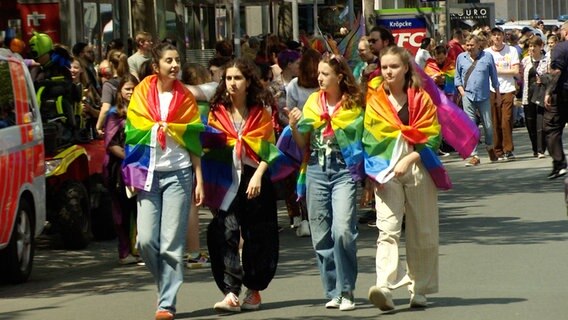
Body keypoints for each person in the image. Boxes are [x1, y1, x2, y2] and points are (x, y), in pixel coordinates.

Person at [363, 45, 450, 312]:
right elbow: (369, 139)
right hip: (385, 171)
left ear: (405, 68)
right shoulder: (375, 99)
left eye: (394, 66)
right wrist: (371, 175)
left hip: (417, 167)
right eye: (385, 67)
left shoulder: (421, 98)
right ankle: (385, 287)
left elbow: (433, 136)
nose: (388, 71)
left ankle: (419, 288)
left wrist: (409, 159)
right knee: (387, 229)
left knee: (421, 230)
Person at [122, 42, 205, 320]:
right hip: (148, 174)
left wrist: (199, 178)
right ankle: (166, 284)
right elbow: (132, 135)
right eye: (169, 61)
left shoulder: (186, 97)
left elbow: (193, 138)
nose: (175, 65)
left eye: (177, 60)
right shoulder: (142, 93)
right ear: (156, 66)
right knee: (145, 240)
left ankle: (166, 303)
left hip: (179, 173)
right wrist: (131, 173)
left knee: (171, 243)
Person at [202, 58, 284, 313]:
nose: (232, 84)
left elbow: (269, 150)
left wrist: (259, 174)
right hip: (226, 178)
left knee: (257, 234)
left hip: (254, 176)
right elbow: (209, 147)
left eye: (237, 78)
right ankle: (231, 292)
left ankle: (254, 289)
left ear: (248, 82)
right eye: (228, 79)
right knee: (224, 232)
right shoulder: (217, 112)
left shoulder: (261, 112)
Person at [287, 54, 364, 311]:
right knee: (321, 236)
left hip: (344, 170)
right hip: (316, 170)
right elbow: (301, 145)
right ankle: (333, 290)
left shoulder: (354, 103)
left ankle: (347, 290)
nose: (319, 78)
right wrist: (295, 126)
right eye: (318, 74)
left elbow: (363, 142)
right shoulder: (311, 102)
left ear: (339, 77)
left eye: (325, 74)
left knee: (342, 230)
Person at [180, 62, 217, 269]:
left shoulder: (182, 99)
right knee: (219, 200)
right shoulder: (209, 94)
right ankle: (239, 243)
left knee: (192, 204)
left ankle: (193, 252)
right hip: (210, 152)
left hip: (187, 152)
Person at [103, 74, 141, 265]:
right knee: (122, 212)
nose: (131, 92)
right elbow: (111, 144)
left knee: (140, 209)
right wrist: (129, 158)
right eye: (127, 88)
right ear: (120, 92)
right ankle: (125, 251)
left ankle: (139, 249)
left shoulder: (143, 112)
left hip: (141, 167)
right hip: (120, 169)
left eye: (134, 88)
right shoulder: (113, 114)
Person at [284, 48, 322, 236]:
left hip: (298, 134)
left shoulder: (293, 85)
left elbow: (289, 110)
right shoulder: (322, 86)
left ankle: (304, 218)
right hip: (319, 135)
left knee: (299, 177)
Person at [455, 34, 501, 167]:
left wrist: (497, 95)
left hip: (484, 96)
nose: (469, 48)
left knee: (488, 126)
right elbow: (457, 76)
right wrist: (462, 92)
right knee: (470, 126)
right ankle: (474, 155)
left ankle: (490, 146)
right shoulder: (461, 58)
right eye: (467, 45)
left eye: (472, 45)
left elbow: (494, 77)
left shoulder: (487, 57)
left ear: (478, 45)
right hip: (467, 96)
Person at [485, 27, 521, 161]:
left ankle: (508, 150)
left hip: (508, 88)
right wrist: (501, 70)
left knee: (506, 120)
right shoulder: (486, 53)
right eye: (494, 35)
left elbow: (515, 71)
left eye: (499, 34)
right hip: (492, 89)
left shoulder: (511, 50)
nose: (497, 37)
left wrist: (495, 70)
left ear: (503, 36)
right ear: (491, 37)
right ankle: (498, 150)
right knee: (495, 121)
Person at [544, 21, 568, 179]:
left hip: (562, 94)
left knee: (551, 127)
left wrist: (548, 91)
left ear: (565, 32)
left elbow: (556, 71)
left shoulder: (560, 48)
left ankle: (560, 163)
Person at [521, 36, 547, 159]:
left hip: (541, 95)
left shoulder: (546, 60)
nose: (532, 49)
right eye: (530, 46)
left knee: (540, 124)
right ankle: (535, 148)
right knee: (530, 123)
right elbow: (521, 77)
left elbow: (551, 77)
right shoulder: (525, 60)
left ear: (540, 47)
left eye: (534, 46)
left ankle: (541, 149)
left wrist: (542, 79)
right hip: (528, 95)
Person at [95, 49, 129, 135]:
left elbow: (105, 108)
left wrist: (98, 127)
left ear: (110, 64)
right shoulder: (131, 80)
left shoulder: (108, 85)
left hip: (116, 128)